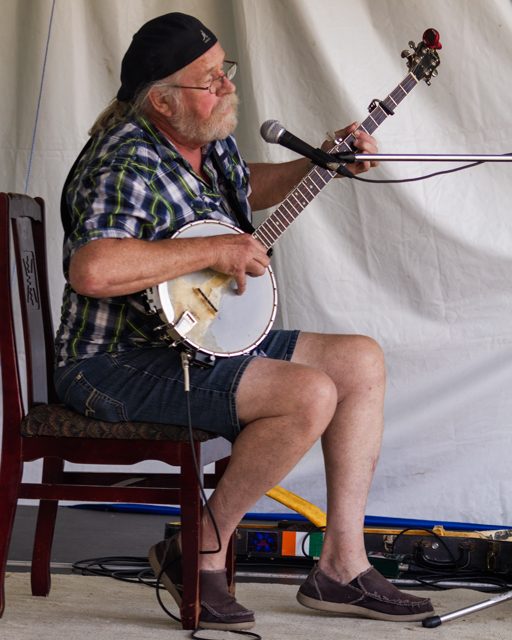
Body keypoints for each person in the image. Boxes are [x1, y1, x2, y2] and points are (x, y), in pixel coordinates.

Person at [55, 12, 434, 632]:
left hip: (191, 341)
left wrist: (321, 160)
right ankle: (200, 548)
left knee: (359, 360)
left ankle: (340, 565)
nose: (228, 87)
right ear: (163, 100)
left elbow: (247, 183)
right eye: (211, 80)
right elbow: (92, 269)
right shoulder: (126, 162)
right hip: (113, 364)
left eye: (224, 70)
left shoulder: (205, 138)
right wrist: (213, 251)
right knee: (307, 393)